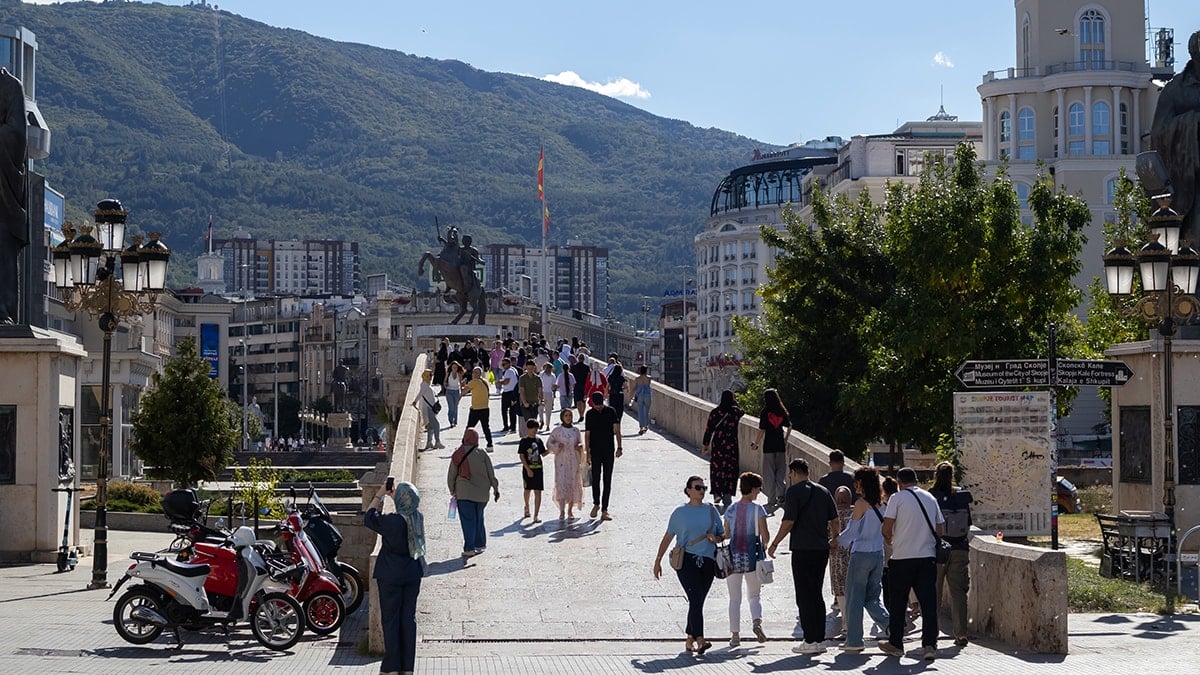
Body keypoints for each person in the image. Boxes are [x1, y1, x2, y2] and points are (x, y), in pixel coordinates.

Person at [766, 458, 839, 655]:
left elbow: (789, 521)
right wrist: (834, 538)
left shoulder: (794, 492)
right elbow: (835, 519)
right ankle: (820, 638)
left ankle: (809, 639)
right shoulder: (823, 491)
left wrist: (774, 543)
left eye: (790, 474)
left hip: (802, 549)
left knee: (804, 595)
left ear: (795, 472)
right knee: (816, 593)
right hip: (821, 549)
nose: (789, 477)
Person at [652, 476, 725, 656]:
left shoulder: (711, 510)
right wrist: (658, 560)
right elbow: (668, 537)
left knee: (697, 601)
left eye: (704, 487)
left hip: (708, 560)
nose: (702, 491)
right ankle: (700, 639)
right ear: (688, 490)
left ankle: (689, 638)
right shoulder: (679, 512)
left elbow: (722, 535)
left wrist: (715, 538)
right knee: (695, 598)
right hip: (686, 561)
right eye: (698, 487)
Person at [879, 467, 943, 661]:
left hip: (902, 558)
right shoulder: (930, 499)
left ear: (899, 483)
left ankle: (896, 644)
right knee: (928, 604)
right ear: (916, 480)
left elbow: (886, 527)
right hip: (927, 558)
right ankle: (929, 645)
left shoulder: (896, 499)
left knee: (898, 603)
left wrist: (890, 539)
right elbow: (939, 529)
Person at [365, 480, 426, 675]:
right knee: (408, 620)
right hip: (412, 573)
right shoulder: (417, 518)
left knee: (391, 620)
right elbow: (406, 509)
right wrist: (395, 496)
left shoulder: (392, 521)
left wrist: (380, 494)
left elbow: (369, 517)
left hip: (390, 575)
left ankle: (391, 666)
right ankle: (407, 667)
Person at [1151, 30, 1200, 245]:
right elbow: (1158, 133)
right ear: (1195, 55)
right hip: (1190, 180)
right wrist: (1193, 122)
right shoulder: (1175, 90)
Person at [836, 467, 890, 653]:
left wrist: (836, 541)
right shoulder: (882, 504)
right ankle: (890, 625)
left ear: (862, 483)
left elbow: (852, 531)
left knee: (854, 598)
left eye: (856, 481)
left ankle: (854, 640)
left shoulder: (861, 504)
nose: (854, 485)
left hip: (861, 554)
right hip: (878, 554)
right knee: (873, 597)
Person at [723, 472, 771, 647]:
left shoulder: (731, 509)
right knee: (755, 595)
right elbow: (765, 535)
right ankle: (757, 622)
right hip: (753, 558)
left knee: (734, 599)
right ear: (752, 489)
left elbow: (726, 534)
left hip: (733, 558)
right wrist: (765, 545)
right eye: (758, 489)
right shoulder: (758, 510)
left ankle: (735, 636)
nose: (759, 492)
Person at [929, 461, 972, 647]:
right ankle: (961, 633)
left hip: (938, 550)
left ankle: (932, 634)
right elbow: (968, 524)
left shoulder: (931, 496)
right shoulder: (961, 496)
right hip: (960, 548)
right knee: (959, 593)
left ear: (936, 474)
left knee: (933, 593)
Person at [447, 429, 499, 557]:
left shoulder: (458, 454)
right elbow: (491, 473)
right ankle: (480, 544)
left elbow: (451, 475)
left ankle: (469, 548)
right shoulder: (482, 454)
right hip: (482, 494)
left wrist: (452, 490)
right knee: (479, 518)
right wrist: (495, 489)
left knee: (468, 520)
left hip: (464, 493)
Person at [0, 68, 25, 327]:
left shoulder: (9, 86)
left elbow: (16, 133)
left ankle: (2, 309)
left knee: (2, 245)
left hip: (2, 185)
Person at [702, 390, 744, 511]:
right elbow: (742, 411)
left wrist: (706, 444)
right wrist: (735, 403)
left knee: (717, 469)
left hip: (718, 445)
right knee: (730, 470)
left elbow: (709, 429)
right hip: (731, 446)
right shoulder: (735, 412)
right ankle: (727, 496)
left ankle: (716, 493)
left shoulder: (715, 412)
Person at [750, 388, 792, 510]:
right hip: (780, 445)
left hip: (768, 446)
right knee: (780, 471)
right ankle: (781, 495)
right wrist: (785, 439)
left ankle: (771, 499)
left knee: (769, 473)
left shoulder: (765, 412)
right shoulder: (781, 410)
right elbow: (789, 426)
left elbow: (762, 430)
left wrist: (755, 444)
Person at [584, 391, 622, 521]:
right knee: (595, 478)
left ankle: (605, 509)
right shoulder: (589, 414)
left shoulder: (611, 411)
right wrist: (587, 453)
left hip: (608, 450)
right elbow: (587, 435)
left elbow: (617, 430)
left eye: (600, 404)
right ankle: (596, 503)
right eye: (597, 405)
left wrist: (619, 447)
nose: (599, 407)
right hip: (595, 451)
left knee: (607, 480)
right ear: (593, 404)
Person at [546, 408, 584, 520]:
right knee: (562, 483)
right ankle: (562, 511)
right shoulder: (557, 431)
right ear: (562, 417)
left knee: (573, 483)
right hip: (561, 462)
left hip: (573, 462)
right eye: (566, 415)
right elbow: (549, 443)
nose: (568, 418)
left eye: (570, 415)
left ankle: (570, 510)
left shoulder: (575, 431)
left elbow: (580, 443)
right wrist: (557, 446)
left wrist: (580, 447)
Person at [830, 485, 854, 627]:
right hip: (854, 555)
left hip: (837, 558)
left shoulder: (832, 515)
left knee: (840, 588)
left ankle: (845, 621)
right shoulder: (855, 513)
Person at [517, 419, 547, 522]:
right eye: (532, 428)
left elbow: (543, 453)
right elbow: (521, 456)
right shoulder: (524, 441)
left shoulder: (539, 441)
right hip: (528, 469)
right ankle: (526, 506)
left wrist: (554, 449)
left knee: (538, 492)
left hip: (538, 469)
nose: (534, 430)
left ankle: (536, 515)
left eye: (536, 428)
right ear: (528, 429)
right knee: (527, 490)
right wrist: (527, 469)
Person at [462, 366, 494, 451]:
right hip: (485, 408)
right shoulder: (485, 381)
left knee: (469, 427)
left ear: (479, 374)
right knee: (486, 427)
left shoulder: (474, 382)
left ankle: (464, 444)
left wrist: (462, 384)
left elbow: (463, 392)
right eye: (473, 372)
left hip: (476, 409)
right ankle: (490, 444)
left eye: (475, 372)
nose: (473, 374)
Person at [410, 370, 443, 451]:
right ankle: (437, 442)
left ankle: (429, 442)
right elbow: (420, 393)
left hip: (430, 408)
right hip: (428, 409)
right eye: (430, 375)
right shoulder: (424, 384)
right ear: (426, 376)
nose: (431, 377)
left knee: (431, 426)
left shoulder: (427, 384)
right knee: (436, 425)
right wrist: (415, 401)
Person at [498, 358, 520, 433]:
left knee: (504, 410)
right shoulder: (514, 370)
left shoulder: (508, 371)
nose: (503, 366)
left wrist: (499, 382)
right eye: (502, 364)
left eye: (504, 364)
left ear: (508, 364)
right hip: (513, 392)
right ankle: (513, 426)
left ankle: (506, 426)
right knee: (512, 410)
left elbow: (506, 381)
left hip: (508, 392)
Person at [518, 361, 542, 426]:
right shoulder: (522, 378)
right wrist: (524, 402)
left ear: (534, 368)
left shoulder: (537, 378)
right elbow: (522, 391)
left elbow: (540, 389)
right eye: (529, 368)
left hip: (534, 402)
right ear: (526, 368)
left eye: (532, 368)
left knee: (534, 421)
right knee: (528, 421)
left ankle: (533, 434)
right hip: (526, 403)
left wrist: (540, 400)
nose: (530, 370)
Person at [632, 365, 653, 434]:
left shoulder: (637, 379)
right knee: (646, 411)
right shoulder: (649, 378)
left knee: (640, 411)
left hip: (640, 395)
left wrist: (632, 395)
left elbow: (634, 387)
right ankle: (646, 426)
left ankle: (641, 427)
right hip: (647, 395)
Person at [444, 361, 465, 428]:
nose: (454, 368)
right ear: (451, 367)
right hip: (449, 391)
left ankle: (455, 421)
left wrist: (462, 392)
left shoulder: (459, 374)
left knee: (455, 407)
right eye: (453, 367)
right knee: (451, 407)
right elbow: (445, 381)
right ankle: (451, 421)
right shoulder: (448, 373)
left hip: (456, 391)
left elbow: (461, 384)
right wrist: (445, 384)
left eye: (456, 367)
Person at [538, 362, 557, 431]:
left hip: (542, 392)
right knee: (548, 410)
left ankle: (541, 420)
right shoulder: (553, 376)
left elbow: (538, 384)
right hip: (549, 393)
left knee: (540, 409)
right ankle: (547, 425)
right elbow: (554, 386)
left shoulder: (541, 374)